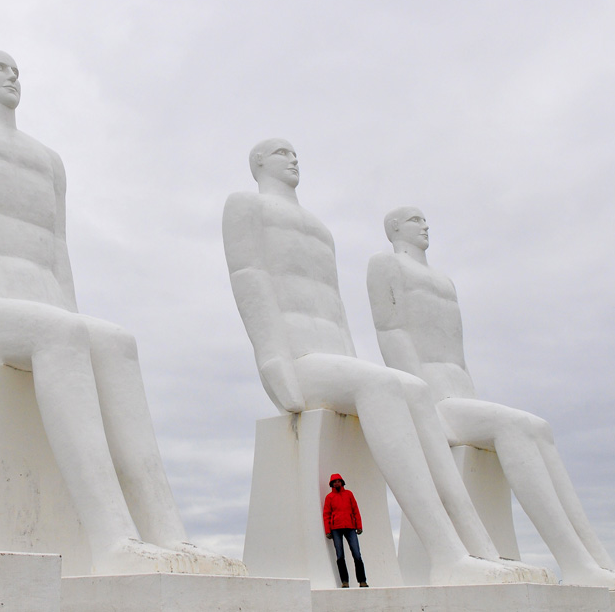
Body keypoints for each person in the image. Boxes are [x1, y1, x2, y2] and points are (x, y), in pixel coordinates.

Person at [0, 50, 244, 576]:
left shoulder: (48, 160)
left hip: (44, 305)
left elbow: (57, 248)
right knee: (63, 335)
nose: (13, 74)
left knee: (115, 341)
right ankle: (114, 535)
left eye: (17, 68)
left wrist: (73, 313)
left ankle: (169, 534)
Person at [222, 138, 550, 586]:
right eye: (282, 152)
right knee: (386, 387)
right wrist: (271, 357)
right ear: (258, 162)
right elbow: (250, 278)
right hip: (300, 359)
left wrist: (357, 364)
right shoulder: (245, 206)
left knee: (412, 389)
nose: (294, 158)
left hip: (335, 357)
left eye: (295, 152)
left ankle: (478, 547)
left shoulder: (319, 229)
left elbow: (333, 304)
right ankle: (446, 553)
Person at [366, 207, 615, 590]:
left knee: (538, 427)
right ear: (394, 228)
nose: (425, 225)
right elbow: (392, 333)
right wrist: (424, 404)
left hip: (460, 392)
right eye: (414, 219)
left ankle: (597, 562)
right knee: (516, 426)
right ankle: (575, 562)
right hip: (434, 398)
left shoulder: (444, 281)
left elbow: (456, 351)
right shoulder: (386, 265)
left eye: (425, 219)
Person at [323, 474, 367, 587]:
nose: (337, 483)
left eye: (338, 481)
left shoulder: (349, 494)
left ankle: (362, 581)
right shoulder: (329, 497)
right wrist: (328, 530)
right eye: (334, 482)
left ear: (342, 482)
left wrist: (359, 525)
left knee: (357, 554)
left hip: (350, 527)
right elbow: (326, 514)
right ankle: (345, 582)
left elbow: (355, 510)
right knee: (340, 555)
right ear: (332, 484)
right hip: (336, 528)